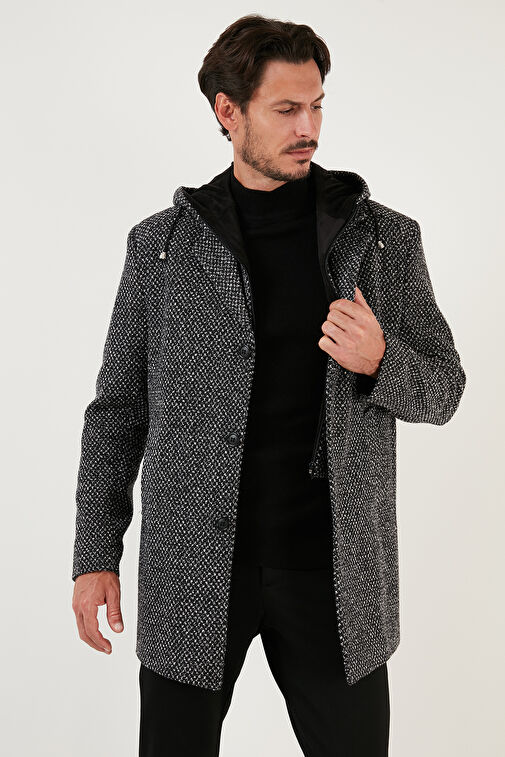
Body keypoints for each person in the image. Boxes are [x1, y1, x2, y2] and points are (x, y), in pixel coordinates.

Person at [71, 13, 466, 756]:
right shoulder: (160, 247)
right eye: (286, 109)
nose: (307, 127)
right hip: (192, 569)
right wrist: (95, 554)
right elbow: (118, 411)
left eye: (316, 105)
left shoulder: (383, 239)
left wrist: (381, 360)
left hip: (333, 575)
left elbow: (444, 389)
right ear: (228, 111)